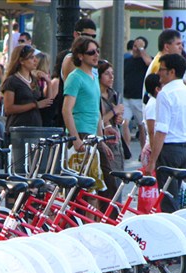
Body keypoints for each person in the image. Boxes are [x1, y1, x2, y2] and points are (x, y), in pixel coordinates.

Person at [144, 53, 186, 213]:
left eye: (162, 69)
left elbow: (160, 131)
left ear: (172, 72)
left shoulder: (165, 94)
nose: (159, 73)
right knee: (176, 197)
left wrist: (152, 160)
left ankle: (174, 233)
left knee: (168, 199)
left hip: (169, 150)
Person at [62, 36, 106, 192]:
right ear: (80, 56)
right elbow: (66, 110)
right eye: (91, 52)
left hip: (92, 135)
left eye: (97, 51)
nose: (96, 55)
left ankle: (94, 217)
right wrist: (75, 139)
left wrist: (101, 139)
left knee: (94, 186)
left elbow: (96, 111)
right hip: (80, 133)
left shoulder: (94, 77)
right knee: (83, 189)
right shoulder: (75, 77)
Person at [0, 45, 53, 145]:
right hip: (18, 130)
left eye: (35, 57)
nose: (35, 61)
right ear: (21, 61)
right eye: (31, 58)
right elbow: (8, 108)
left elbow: (47, 102)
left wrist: (48, 82)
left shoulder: (34, 80)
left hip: (35, 128)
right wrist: (34, 105)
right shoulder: (12, 81)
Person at [53, 18, 97, 128]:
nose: (90, 39)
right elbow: (71, 96)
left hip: (91, 121)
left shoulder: (91, 64)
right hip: (78, 123)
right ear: (76, 34)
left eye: (93, 36)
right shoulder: (70, 59)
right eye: (87, 35)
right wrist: (76, 138)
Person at [98, 60, 125, 201]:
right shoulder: (96, 95)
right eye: (107, 74)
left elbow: (119, 119)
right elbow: (98, 120)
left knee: (118, 181)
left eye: (112, 74)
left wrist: (120, 119)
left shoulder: (114, 94)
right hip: (103, 141)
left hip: (116, 142)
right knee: (107, 185)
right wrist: (114, 111)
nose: (111, 77)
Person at [122, 36, 151, 156]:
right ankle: (126, 149)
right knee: (125, 123)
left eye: (138, 47)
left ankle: (143, 151)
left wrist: (141, 49)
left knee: (141, 126)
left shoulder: (146, 60)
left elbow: (149, 63)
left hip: (139, 98)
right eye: (134, 46)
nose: (136, 49)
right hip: (126, 97)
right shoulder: (126, 60)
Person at [143, 29, 183, 99]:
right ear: (167, 47)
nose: (181, 47)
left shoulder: (161, 61)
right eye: (178, 44)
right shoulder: (159, 64)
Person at [139, 73, 161, 167]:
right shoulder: (152, 104)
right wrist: (153, 155)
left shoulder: (157, 102)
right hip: (151, 149)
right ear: (157, 89)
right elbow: (151, 131)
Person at [34, 51, 59, 127]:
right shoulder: (37, 78)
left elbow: (49, 100)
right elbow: (49, 99)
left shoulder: (45, 79)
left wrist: (48, 82)